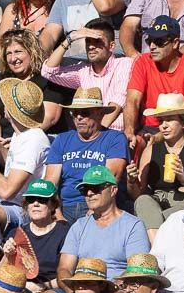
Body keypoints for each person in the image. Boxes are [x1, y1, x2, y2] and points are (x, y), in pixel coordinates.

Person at [123, 15, 184, 147]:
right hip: (148, 128)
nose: (152, 46)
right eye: (149, 41)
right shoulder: (142, 62)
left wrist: (160, 136)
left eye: (158, 41)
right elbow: (132, 101)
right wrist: (129, 131)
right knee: (131, 142)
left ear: (175, 43)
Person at [44, 89, 129, 222]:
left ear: (100, 114)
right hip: (65, 206)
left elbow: (110, 177)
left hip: (99, 207)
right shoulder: (62, 139)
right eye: (74, 113)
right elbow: (50, 182)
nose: (78, 117)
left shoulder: (115, 139)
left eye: (84, 113)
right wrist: (57, 213)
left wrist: (94, 210)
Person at [57, 165, 149, 285]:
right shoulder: (79, 226)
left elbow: (137, 271)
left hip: (116, 292)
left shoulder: (133, 225)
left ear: (113, 190)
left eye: (95, 188)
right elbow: (64, 268)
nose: (89, 193)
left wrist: (104, 291)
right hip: (80, 290)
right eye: (85, 190)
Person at [126, 93, 184, 237]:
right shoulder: (151, 149)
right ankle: (157, 248)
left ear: (183, 123)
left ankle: (155, 250)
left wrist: (183, 178)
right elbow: (137, 194)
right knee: (143, 201)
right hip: (157, 201)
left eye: (170, 120)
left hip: (182, 200)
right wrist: (131, 180)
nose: (163, 126)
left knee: (183, 210)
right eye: (161, 121)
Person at [41, 20, 132, 126]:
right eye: (88, 41)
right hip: (89, 134)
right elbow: (48, 72)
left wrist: (99, 134)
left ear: (111, 46)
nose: (91, 46)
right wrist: (70, 38)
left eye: (97, 41)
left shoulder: (124, 63)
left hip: (115, 134)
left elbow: (118, 99)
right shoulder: (82, 71)